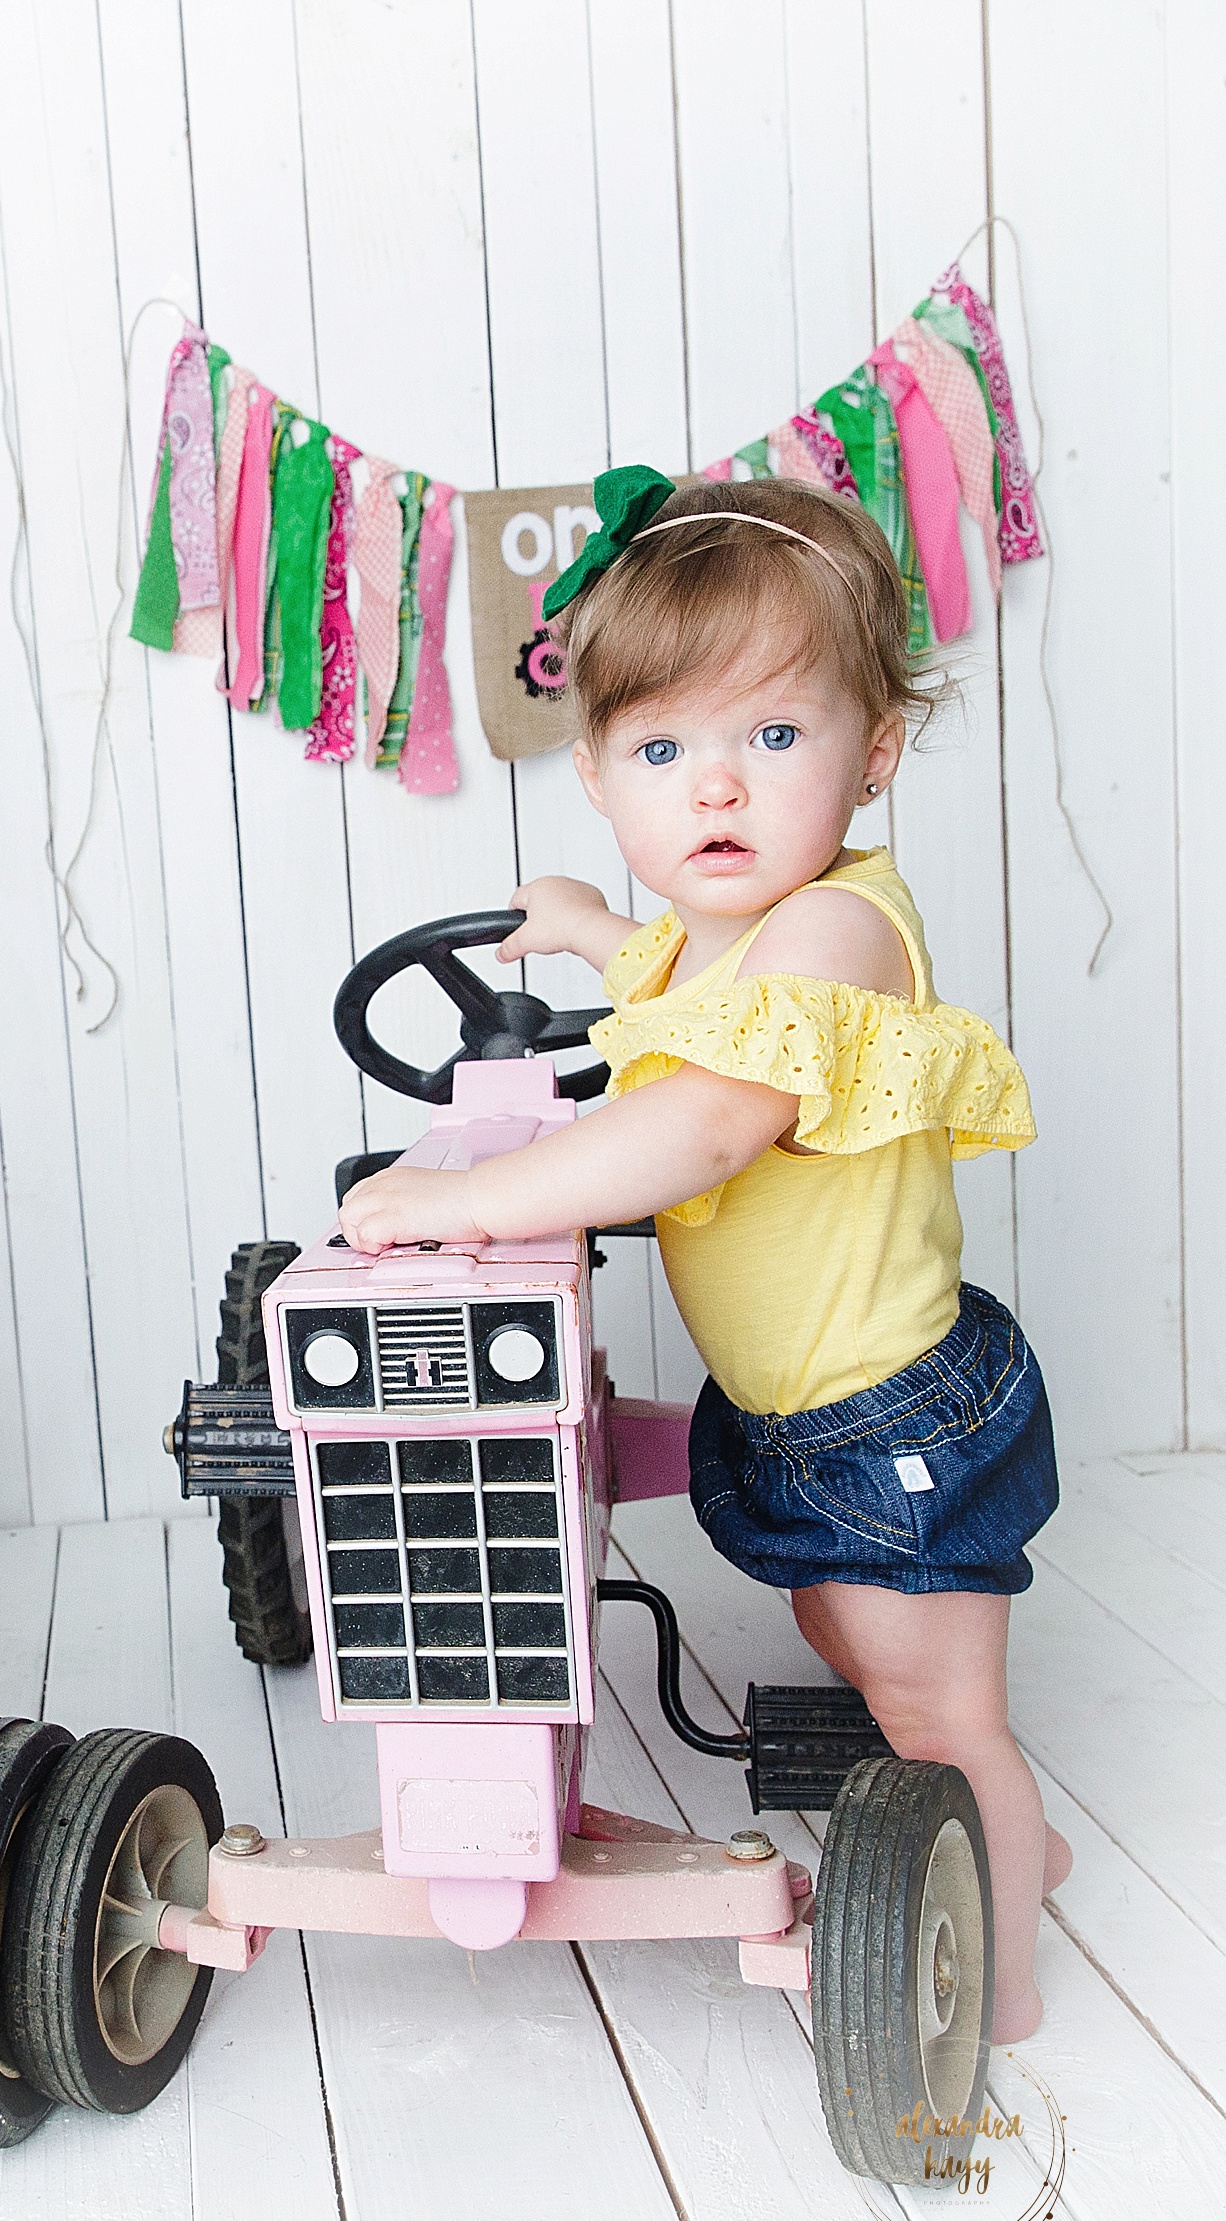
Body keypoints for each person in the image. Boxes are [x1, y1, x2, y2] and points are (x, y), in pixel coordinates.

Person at [337, 473, 1064, 2041]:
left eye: (773, 739)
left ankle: (993, 1974)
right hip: (809, 1411)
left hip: (894, 1419)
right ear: (598, 773)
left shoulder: (839, 931)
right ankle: (1007, 1849)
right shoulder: (726, 932)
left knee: (937, 1716)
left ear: (873, 751)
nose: (715, 791)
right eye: (663, 751)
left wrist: (491, 1197)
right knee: (843, 1638)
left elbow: (711, 1119)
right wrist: (591, 927)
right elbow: (678, 986)